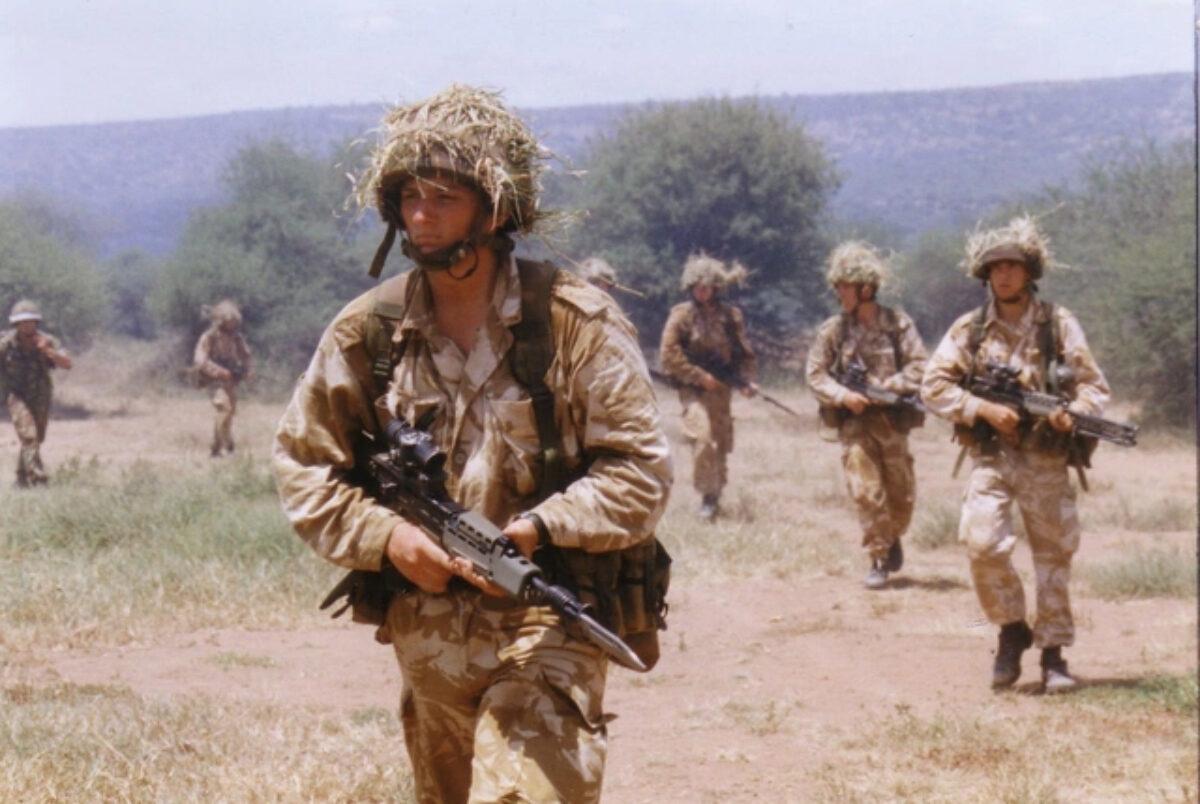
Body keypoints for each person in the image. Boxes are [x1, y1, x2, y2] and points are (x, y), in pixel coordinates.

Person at [272, 84, 672, 803]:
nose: (421, 217)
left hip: (550, 618)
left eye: (444, 198)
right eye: (409, 199)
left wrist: (536, 530)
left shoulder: (574, 323)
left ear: (494, 210)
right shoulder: (369, 333)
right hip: (425, 636)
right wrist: (389, 539)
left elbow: (640, 471)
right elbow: (305, 464)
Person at [921, 215, 1110, 693]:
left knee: (1053, 558)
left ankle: (1053, 655)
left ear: (1030, 272)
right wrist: (980, 406)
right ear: (986, 275)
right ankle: (1011, 630)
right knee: (981, 545)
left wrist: (1072, 413)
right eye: (996, 267)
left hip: (1046, 460)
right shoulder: (972, 329)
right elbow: (933, 386)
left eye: (1014, 266)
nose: (1004, 274)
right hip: (994, 457)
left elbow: (1094, 387)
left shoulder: (1058, 324)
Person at [805, 241, 928, 589]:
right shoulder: (834, 330)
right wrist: (845, 396)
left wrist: (890, 385)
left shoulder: (897, 324)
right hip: (855, 425)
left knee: (901, 496)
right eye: (838, 286)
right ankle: (877, 556)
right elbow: (815, 374)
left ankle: (891, 535)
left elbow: (921, 366)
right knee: (865, 491)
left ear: (866, 288)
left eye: (845, 286)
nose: (839, 293)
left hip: (892, 423)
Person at [658, 253, 757, 520]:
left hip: (721, 391)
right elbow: (669, 354)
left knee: (720, 444)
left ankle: (715, 496)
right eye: (697, 286)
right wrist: (698, 376)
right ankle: (706, 497)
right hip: (694, 391)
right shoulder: (681, 316)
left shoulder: (730, 316)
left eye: (707, 287)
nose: (702, 292)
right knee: (702, 440)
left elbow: (744, 353)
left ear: (716, 288)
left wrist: (744, 381)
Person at [0, 299, 72, 487]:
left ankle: (21, 478)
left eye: (31, 321)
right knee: (29, 436)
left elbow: (67, 364)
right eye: (23, 321)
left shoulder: (48, 341)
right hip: (16, 396)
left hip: (41, 395)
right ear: (16, 323)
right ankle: (39, 480)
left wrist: (47, 350)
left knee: (36, 438)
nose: (27, 325)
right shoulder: (6, 344)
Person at [193, 299, 254, 457]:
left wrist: (247, 370)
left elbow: (246, 355)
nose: (231, 325)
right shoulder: (209, 337)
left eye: (234, 322)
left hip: (230, 381)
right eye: (228, 321)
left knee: (229, 412)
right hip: (213, 380)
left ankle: (220, 447)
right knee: (224, 409)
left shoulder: (236, 337)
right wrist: (219, 371)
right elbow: (200, 360)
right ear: (221, 321)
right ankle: (223, 447)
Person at [577, 256, 643, 299]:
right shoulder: (578, 300)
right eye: (598, 284)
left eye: (606, 286)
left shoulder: (609, 307)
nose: (603, 289)